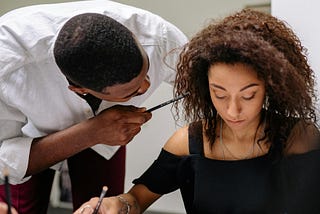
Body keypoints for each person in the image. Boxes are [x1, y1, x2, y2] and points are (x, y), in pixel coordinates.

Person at [76, 9, 320, 214]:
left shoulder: (298, 138)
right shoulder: (188, 142)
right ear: (205, 88)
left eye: (248, 95)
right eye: (219, 94)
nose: (232, 110)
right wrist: (116, 204)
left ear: (271, 87)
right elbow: (137, 200)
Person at [0, 0, 188, 213]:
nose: (146, 87)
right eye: (131, 92)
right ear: (79, 90)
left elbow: (207, 81)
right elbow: (2, 160)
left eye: (147, 73)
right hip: (25, 139)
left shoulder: (158, 36)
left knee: (104, 208)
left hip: (107, 138)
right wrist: (91, 132)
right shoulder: (6, 63)